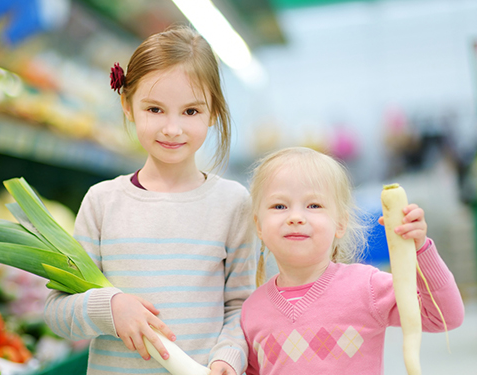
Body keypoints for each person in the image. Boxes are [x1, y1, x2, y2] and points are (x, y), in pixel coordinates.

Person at [43, 25, 256, 375]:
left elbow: (242, 307)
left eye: (191, 112)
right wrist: (110, 308)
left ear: (214, 112)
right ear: (127, 105)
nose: (172, 128)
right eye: (155, 109)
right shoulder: (102, 202)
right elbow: (57, 312)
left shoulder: (233, 204)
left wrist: (227, 358)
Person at [241, 147, 464, 374]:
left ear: (340, 223)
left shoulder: (366, 287)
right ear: (259, 225)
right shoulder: (251, 311)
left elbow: (445, 317)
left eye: (314, 205)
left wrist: (421, 249)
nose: (296, 217)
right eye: (279, 206)